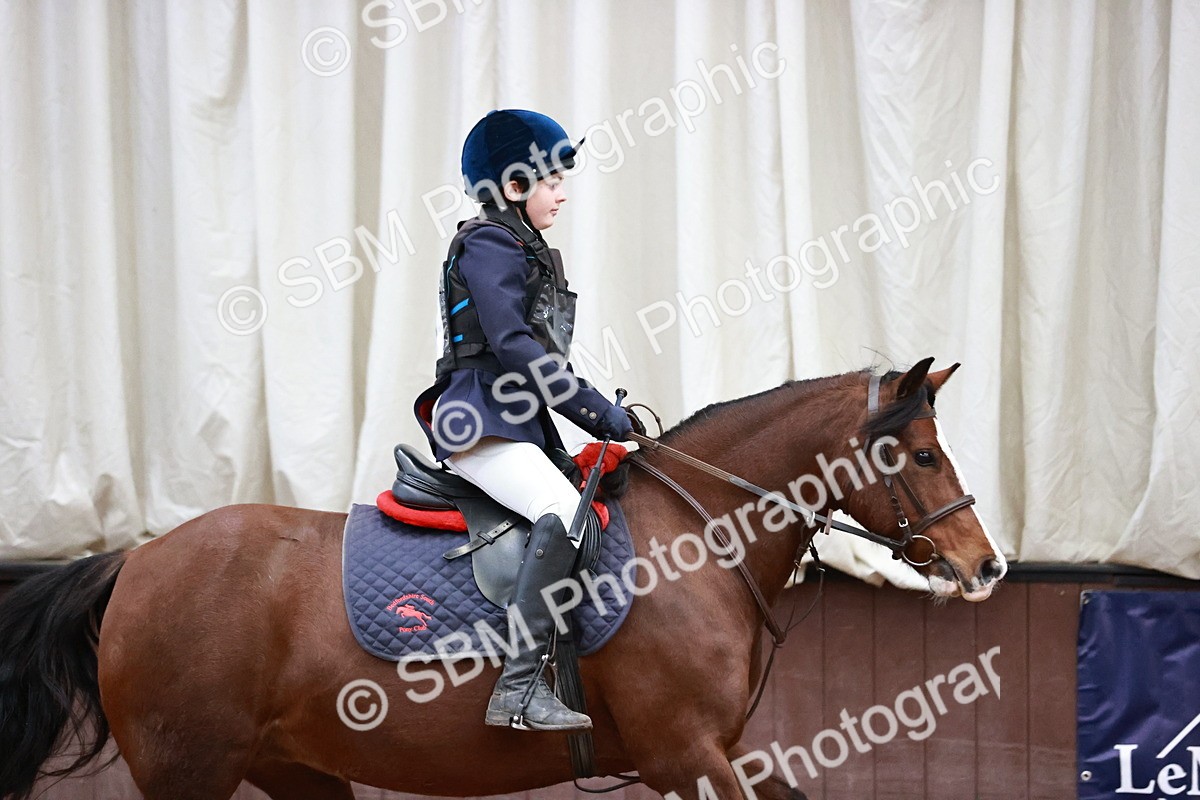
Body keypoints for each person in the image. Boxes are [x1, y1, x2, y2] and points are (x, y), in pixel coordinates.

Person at [412, 109, 632, 731]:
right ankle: (518, 689)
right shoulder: (486, 243)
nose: (562, 193)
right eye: (552, 181)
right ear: (513, 187)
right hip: (476, 421)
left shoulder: (518, 247)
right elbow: (513, 347)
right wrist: (596, 412)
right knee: (563, 515)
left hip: (512, 421)